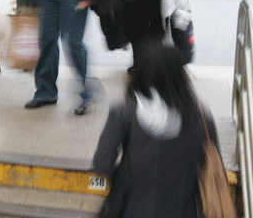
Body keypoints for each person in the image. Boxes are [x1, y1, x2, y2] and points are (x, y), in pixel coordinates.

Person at [93, 42, 219, 218]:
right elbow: (211, 161)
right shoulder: (202, 119)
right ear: (181, 76)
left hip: (130, 209)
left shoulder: (124, 113)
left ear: (143, 72)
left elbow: (101, 163)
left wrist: (124, 177)